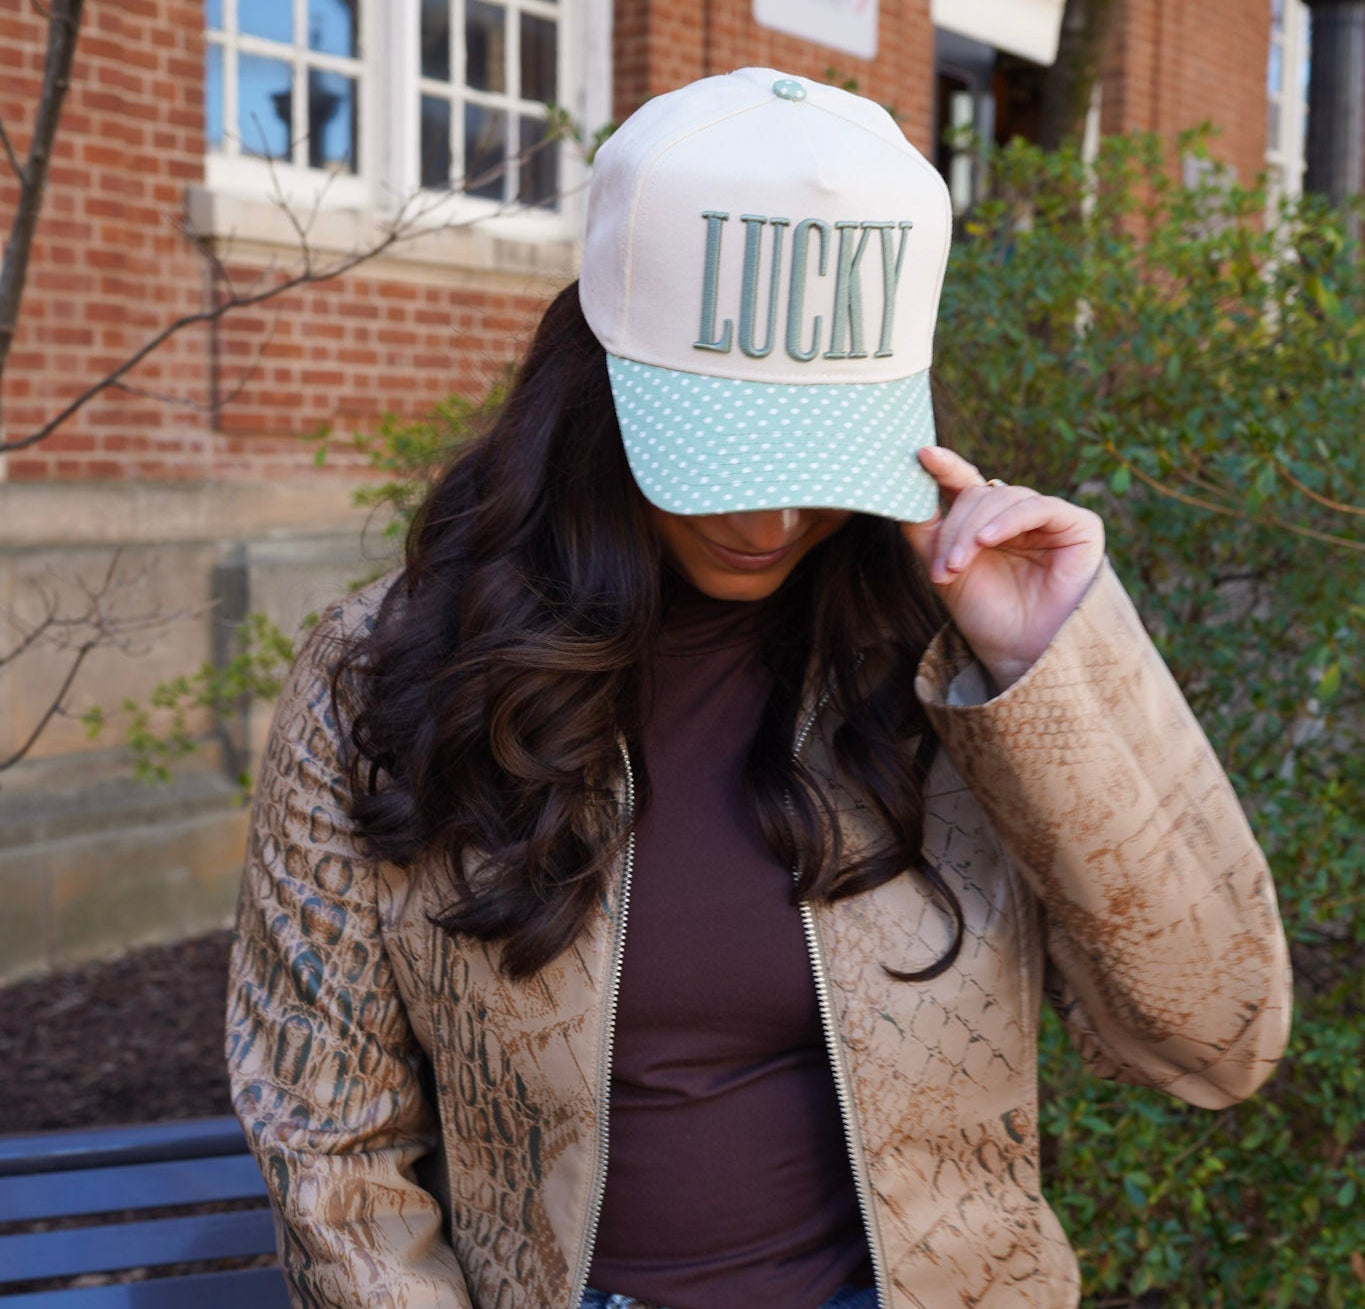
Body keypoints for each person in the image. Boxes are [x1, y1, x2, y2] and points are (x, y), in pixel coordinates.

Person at [225, 69, 1292, 1309]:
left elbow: (1219, 1041)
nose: (777, 517)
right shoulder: (385, 679)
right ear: (595, 390)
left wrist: (1054, 670)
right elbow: (329, 1145)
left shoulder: (947, 665)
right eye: (724, 452)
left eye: (822, 453)